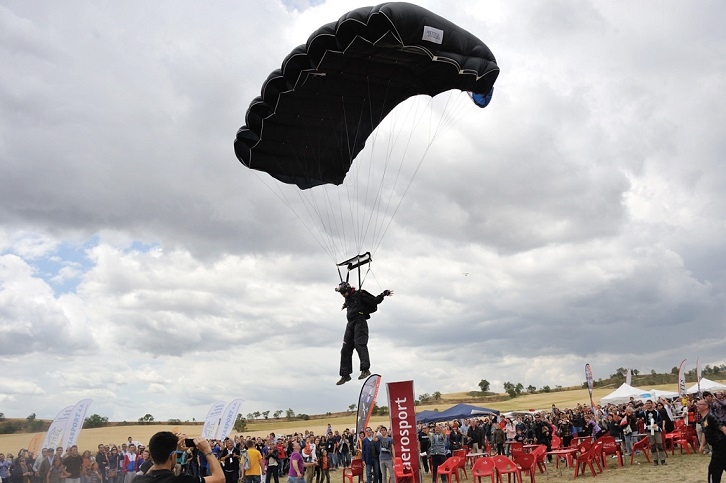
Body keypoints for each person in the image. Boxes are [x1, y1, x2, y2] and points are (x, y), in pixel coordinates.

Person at [335, 282, 393, 385]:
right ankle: (345, 375)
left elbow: (375, 300)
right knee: (345, 349)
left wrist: (383, 294)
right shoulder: (348, 298)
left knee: (359, 344)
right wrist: (346, 305)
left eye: (343, 292)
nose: (342, 295)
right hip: (350, 324)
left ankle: (365, 370)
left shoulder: (359, 294)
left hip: (360, 321)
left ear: (348, 290)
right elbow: (351, 302)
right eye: (341, 293)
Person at [132, 433, 222, 483]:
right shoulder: (181, 480)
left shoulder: (138, 480)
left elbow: (150, 473)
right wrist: (207, 451)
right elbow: (220, 479)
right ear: (173, 455)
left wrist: (175, 450)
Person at [697, 398, 726, 483]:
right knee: (722, 464)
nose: (697, 406)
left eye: (699, 405)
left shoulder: (711, 416)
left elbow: (723, 428)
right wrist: (702, 445)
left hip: (721, 444)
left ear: (706, 406)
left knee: (714, 468)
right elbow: (705, 433)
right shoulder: (703, 419)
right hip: (716, 445)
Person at [642, 400, 666, 466]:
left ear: (652, 404)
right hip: (649, 431)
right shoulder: (644, 412)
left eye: (649, 403)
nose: (648, 405)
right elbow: (637, 416)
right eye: (647, 404)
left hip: (656, 430)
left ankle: (662, 460)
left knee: (660, 445)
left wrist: (657, 424)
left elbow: (660, 420)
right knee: (652, 446)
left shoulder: (656, 412)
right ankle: (655, 460)